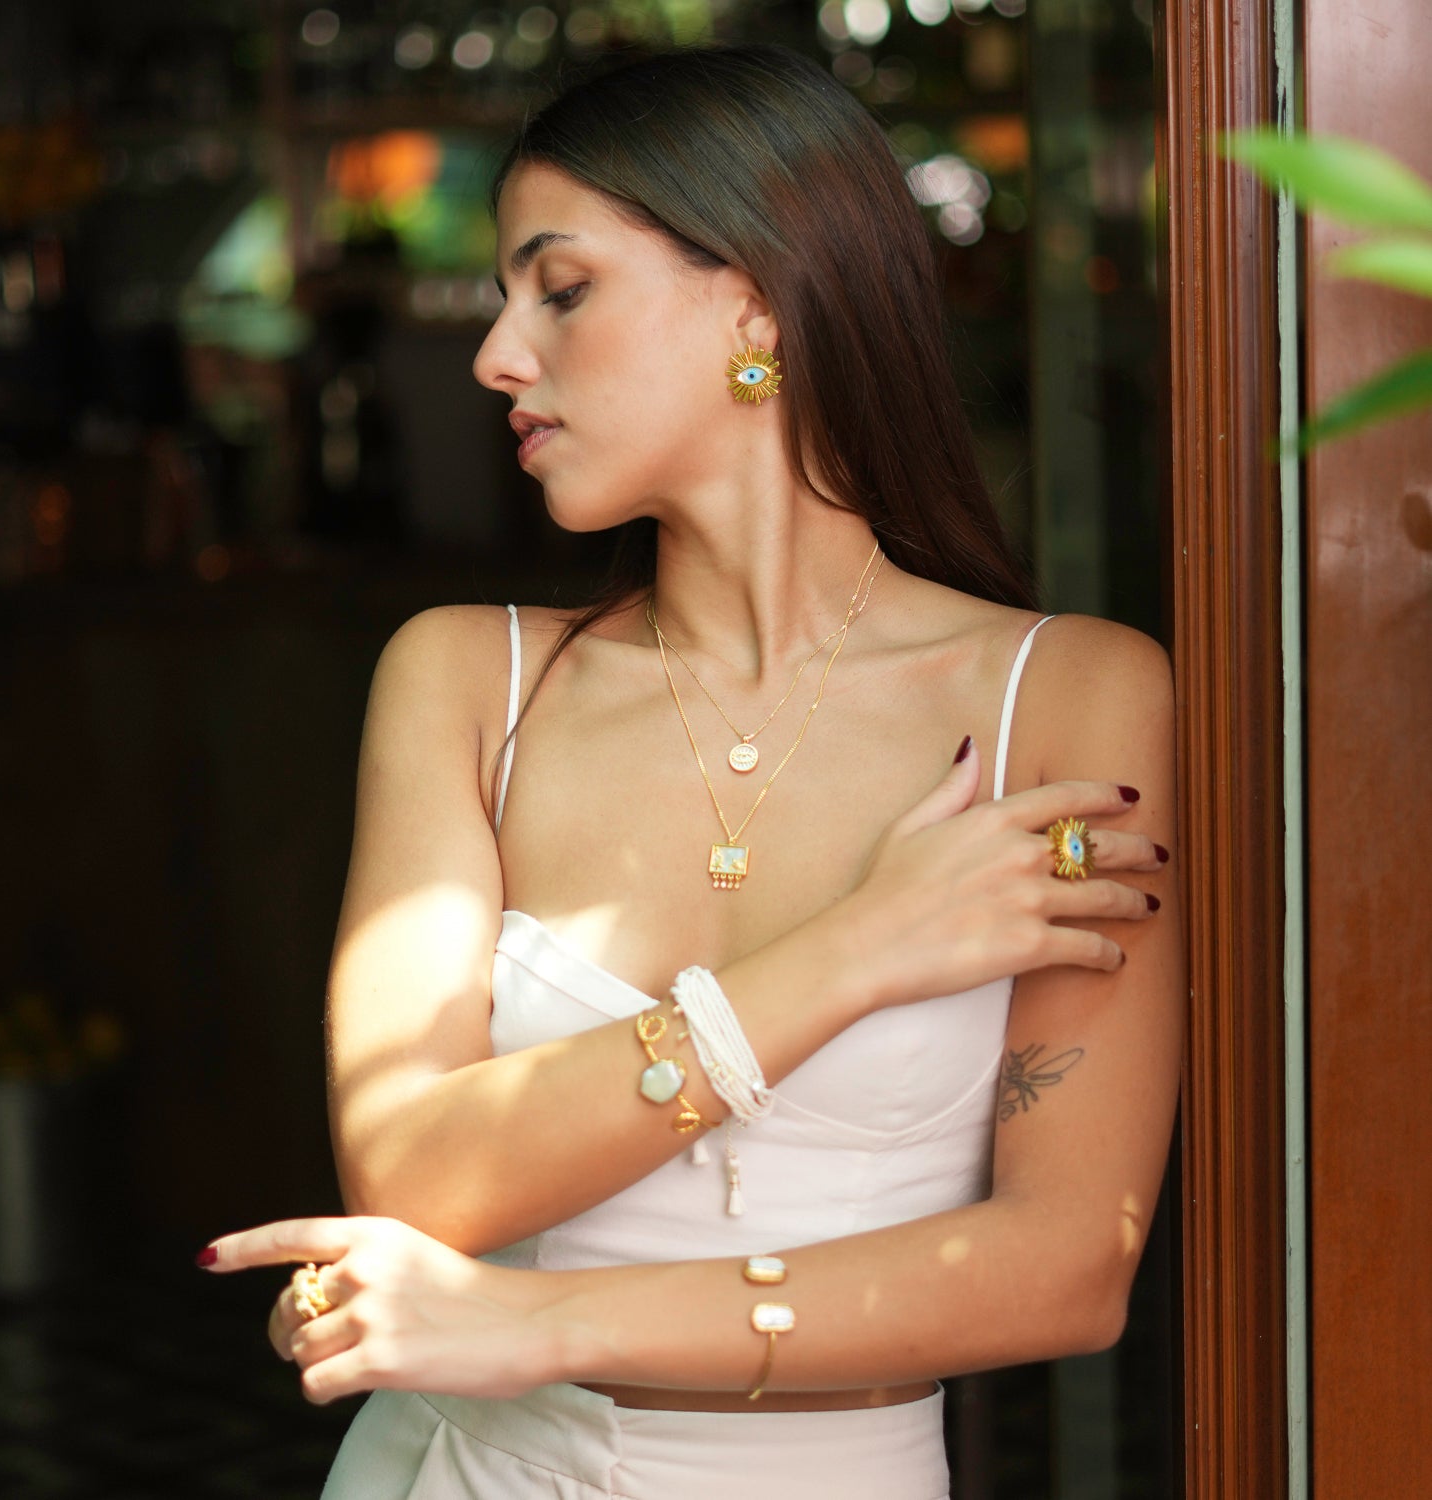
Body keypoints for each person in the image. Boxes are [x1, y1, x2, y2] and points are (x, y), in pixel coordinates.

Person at [197, 43, 1181, 1500]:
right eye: (501, 297)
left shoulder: (1070, 698)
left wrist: (537, 1320)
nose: (496, 357)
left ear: (759, 302)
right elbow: (413, 1181)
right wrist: (861, 947)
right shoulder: (472, 681)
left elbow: (1063, 1270)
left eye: (563, 287)